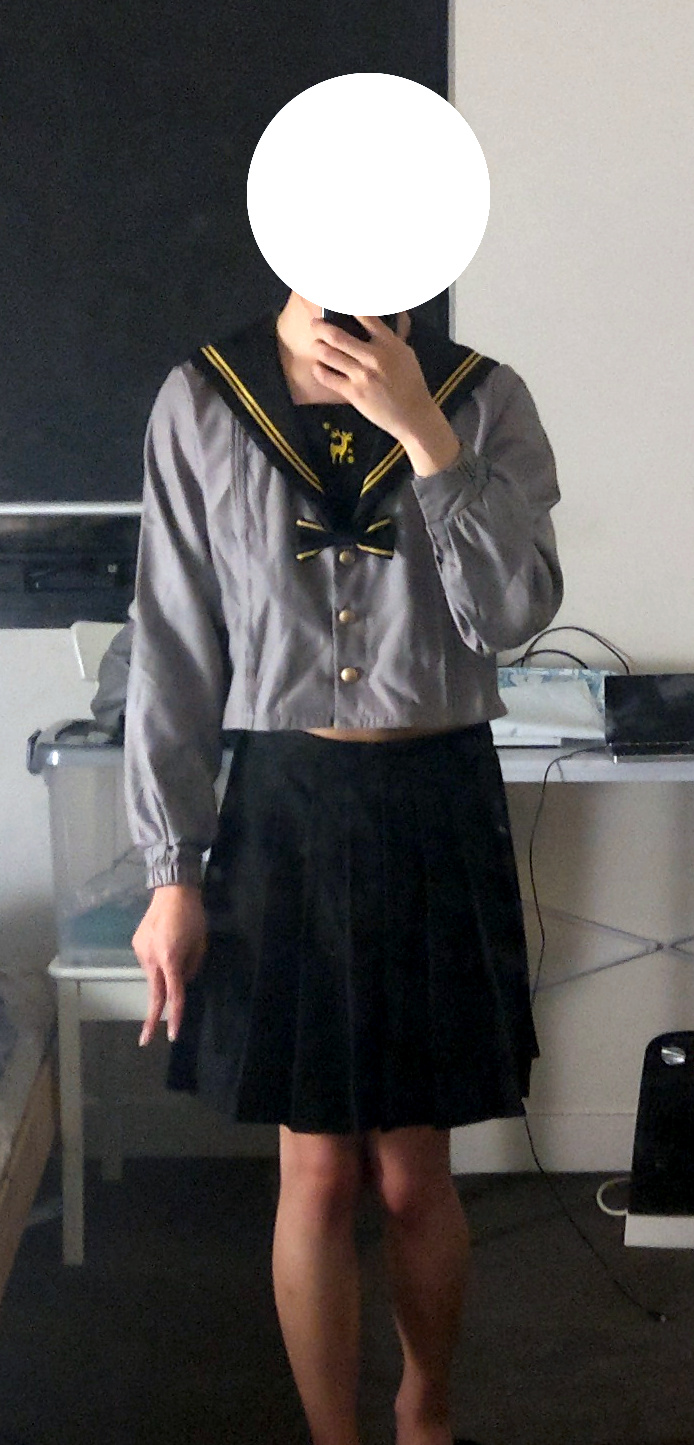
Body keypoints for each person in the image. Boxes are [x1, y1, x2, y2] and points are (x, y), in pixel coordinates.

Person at [98, 289, 563, 1445]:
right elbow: (172, 640)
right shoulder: (205, 399)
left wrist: (425, 433)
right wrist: (171, 870)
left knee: (411, 1172)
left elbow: (511, 613)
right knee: (312, 1170)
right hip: (283, 805)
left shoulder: (482, 397)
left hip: (433, 801)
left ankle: (424, 1415)